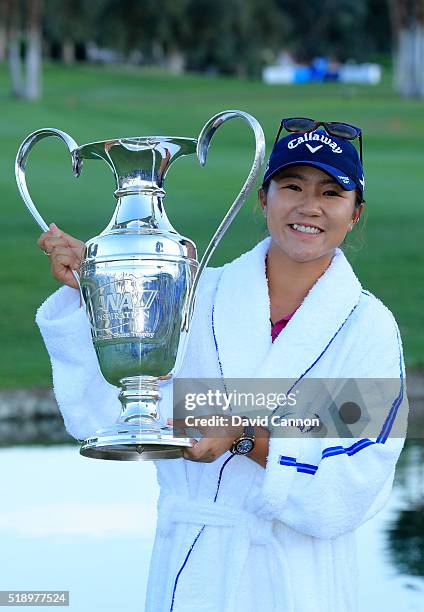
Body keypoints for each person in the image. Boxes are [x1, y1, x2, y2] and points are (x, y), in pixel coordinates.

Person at [36, 119, 409, 612]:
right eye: (291, 186)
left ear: (355, 213)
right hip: (193, 576)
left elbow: (352, 489)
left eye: (331, 192)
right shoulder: (197, 295)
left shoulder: (369, 330)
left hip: (300, 585)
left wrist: (244, 436)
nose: (309, 206)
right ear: (263, 198)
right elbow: (102, 415)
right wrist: (100, 295)